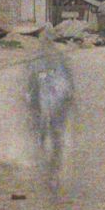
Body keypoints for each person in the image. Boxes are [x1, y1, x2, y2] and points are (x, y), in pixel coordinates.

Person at [25, 48, 75, 191]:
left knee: (56, 139)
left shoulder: (61, 65)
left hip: (57, 107)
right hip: (42, 106)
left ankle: (53, 173)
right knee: (42, 137)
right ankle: (44, 168)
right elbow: (31, 90)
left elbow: (69, 91)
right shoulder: (36, 64)